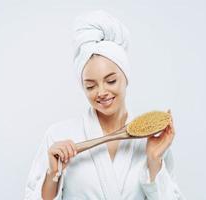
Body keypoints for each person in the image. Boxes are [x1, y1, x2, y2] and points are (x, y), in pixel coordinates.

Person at [24, 10, 185, 200]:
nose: (101, 92)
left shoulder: (150, 140)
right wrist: (52, 174)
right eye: (90, 86)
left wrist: (154, 160)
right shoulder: (58, 135)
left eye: (110, 81)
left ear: (125, 77)